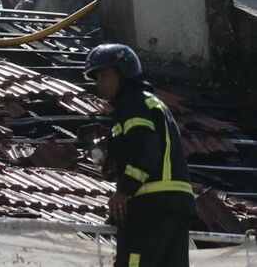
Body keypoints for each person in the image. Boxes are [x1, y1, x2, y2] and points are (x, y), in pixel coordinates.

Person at [84, 43, 196, 267]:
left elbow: (146, 149)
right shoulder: (149, 103)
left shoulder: (132, 103)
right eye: (96, 78)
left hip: (151, 204)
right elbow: (141, 148)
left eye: (105, 75)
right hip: (177, 204)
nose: (100, 84)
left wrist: (124, 191)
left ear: (124, 74)